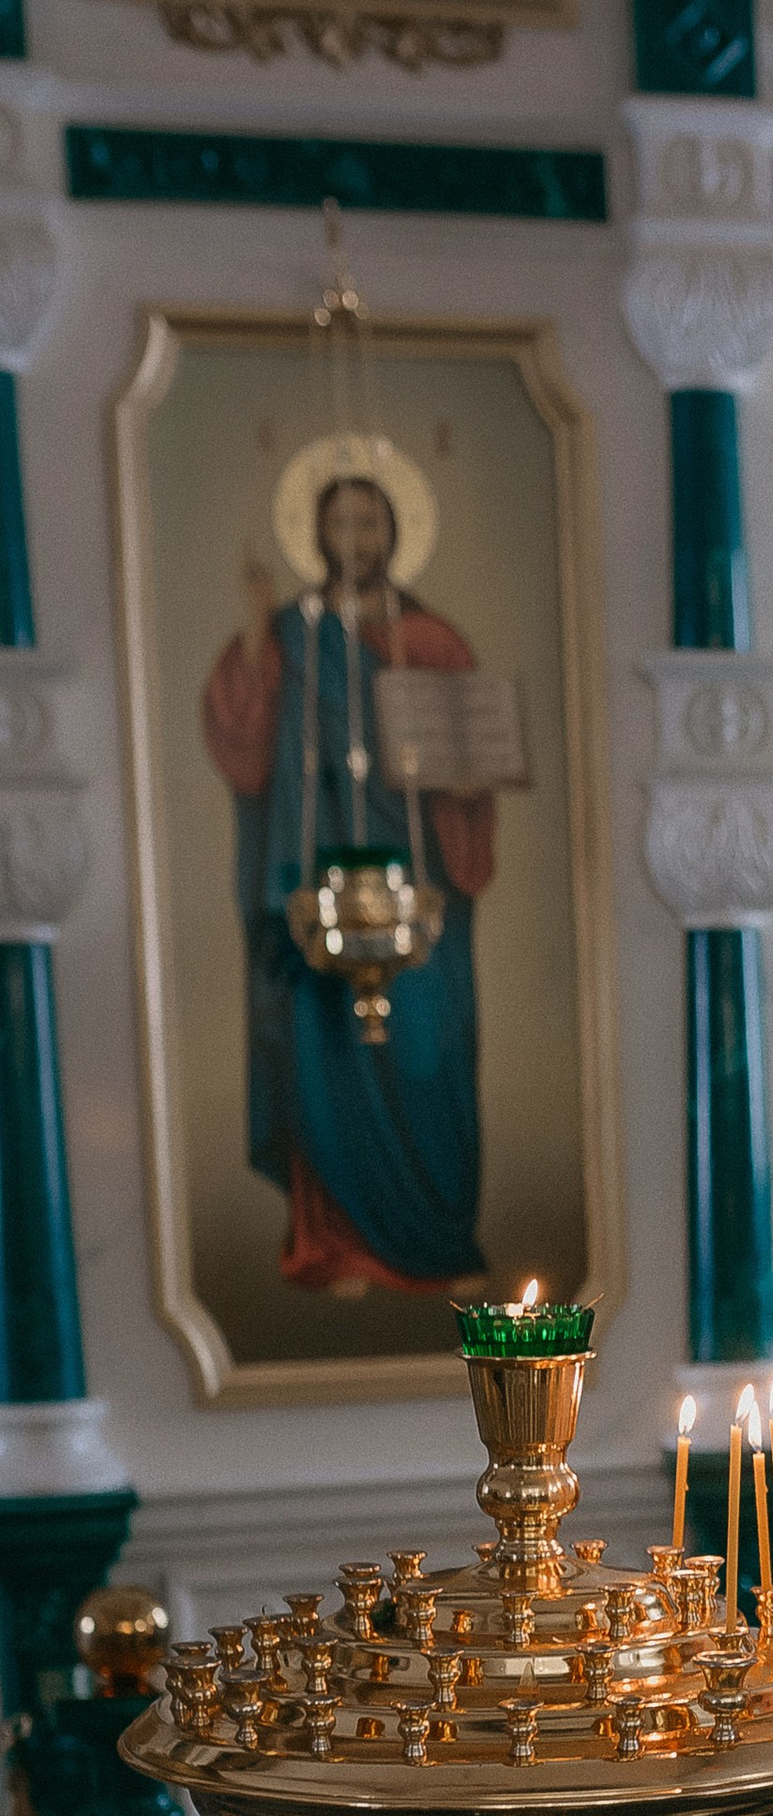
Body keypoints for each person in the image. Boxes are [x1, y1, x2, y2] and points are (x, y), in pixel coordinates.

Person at [203, 470, 493, 1295]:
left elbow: (472, 755)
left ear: (395, 532)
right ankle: (334, 1245)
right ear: (319, 535)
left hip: (420, 888)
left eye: (371, 524)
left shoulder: (433, 640)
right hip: (312, 877)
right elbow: (242, 743)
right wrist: (260, 627)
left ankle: (434, 1235)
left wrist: (468, 783)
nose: (357, 541)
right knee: (318, 1049)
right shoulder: (292, 633)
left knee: (427, 1050)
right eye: (342, 526)